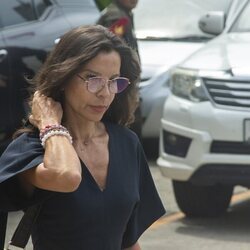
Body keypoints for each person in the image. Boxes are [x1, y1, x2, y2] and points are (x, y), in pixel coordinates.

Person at [0, 25, 165, 250]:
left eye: (113, 81)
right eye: (92, 79)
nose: (105, 93)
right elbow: (66, 176)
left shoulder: (127, 143)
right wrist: (50, 123)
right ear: (63, 77)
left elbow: (128, 241)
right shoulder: (30, 149)